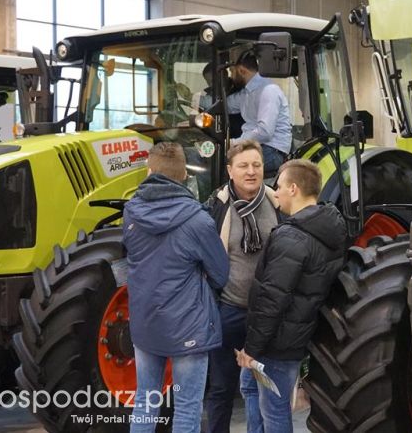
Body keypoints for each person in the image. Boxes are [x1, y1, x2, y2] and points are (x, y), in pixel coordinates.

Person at [123, 142, 229, 433]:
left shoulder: (131, 213)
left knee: (145, 401)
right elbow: (221, 273)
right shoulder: (198, 220)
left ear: (149, 171)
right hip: (188, 327)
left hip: (146, 323)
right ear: (185, 175)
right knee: (187, 407)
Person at [236, 159, 346, 433]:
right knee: (250, 388)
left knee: (274, 412)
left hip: (276, 343)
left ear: (294, 189)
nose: (276, 192)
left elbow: (273, 299)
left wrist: (252, 348)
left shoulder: (292, 238)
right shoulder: (328, 228)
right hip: (292, 337)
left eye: (279, 186)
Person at [204, 140, 281, 433]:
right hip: (228, 310)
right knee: (221, 387)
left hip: (266, 315)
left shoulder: (277, 203)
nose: (251, 172)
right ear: (230, 171)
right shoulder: (217, 206)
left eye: (257, 165)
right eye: (243, 166)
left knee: (263, 389)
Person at [227, 52, 292, 176]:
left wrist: (234, 143)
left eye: (232, 71)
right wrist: (196, 99)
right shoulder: (247, 93)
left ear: (241, 71)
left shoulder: (268, 91)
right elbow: (226, 105)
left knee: (226, 165)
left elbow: (264, 132)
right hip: (259, 147)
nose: (231, 76)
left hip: (272, 150)